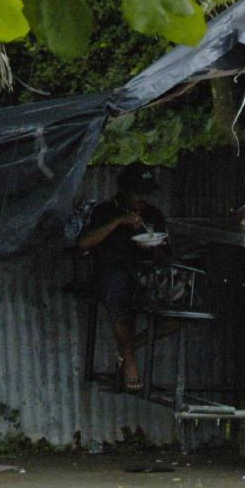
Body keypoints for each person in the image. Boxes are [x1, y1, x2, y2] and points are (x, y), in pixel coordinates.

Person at [77, 164, 169, 393]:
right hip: (113, 273)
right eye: (138, 193)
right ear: (125, 191)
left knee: (183, 304)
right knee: (118, 296)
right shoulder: (105, 211)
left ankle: (129, 346)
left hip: (146, 273)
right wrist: (119, 221)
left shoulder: (153, 214)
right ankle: (129, 360)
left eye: (147, 194)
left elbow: (165, 250)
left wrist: (156, 247)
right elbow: (83, 243)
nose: (143, 199)